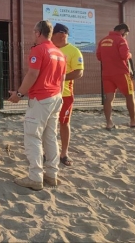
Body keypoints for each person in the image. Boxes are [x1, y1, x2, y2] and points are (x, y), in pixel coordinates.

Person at [8, 20, 67, 191]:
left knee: (32, 136)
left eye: (34, 31)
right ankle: (52, 174)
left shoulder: (39, 50)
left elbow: (32, 74)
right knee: (50, 137)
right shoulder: (59, 53)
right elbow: (62, 79)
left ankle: (35, 177)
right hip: (55, 96)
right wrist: (60, 97)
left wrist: (19, 94)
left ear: (38, 33)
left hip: (41, 98)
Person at [96, 23, 135, 130]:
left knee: (109, 98)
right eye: (126, 34)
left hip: (107, 74)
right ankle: (133, 120)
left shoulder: (103, 40)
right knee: (130, 95)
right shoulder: (121, 40)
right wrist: (130, 55)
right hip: (121, 73)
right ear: (123, 31)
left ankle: (109, 123)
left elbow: (99, 57)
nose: (126, 36)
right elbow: (124, 55)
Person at [51, 23, 84, 167]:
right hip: (48, 93)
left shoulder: (74, 51)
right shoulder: (49, 48)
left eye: (52, 34)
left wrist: (60, 78)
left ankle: (64, 153)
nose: (50, 37)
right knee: (48, 124)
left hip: (65, 94)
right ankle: (50, 152)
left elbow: (79, 72)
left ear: (61, 35)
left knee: (64, 123)